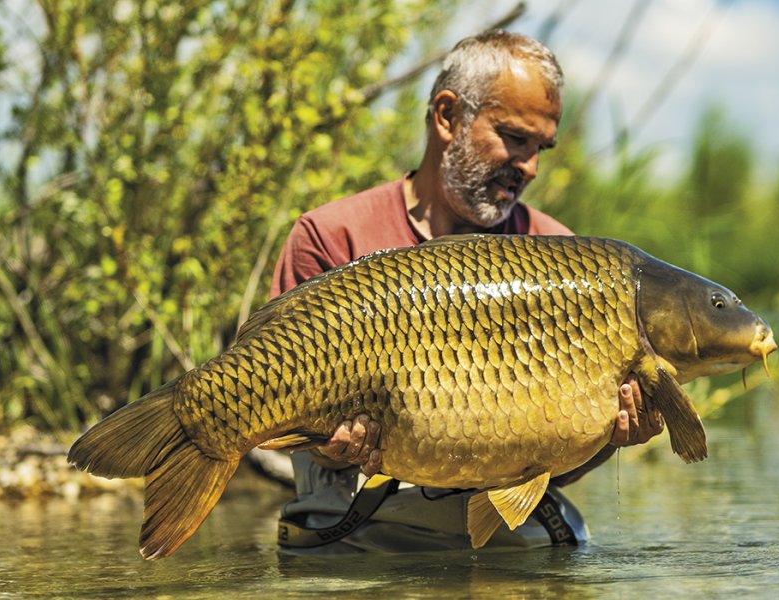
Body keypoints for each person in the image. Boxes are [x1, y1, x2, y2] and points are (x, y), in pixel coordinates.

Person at [269, 30, 664, 553]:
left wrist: (608, 438)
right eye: (515, 138)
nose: (530, 167)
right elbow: (284, 420)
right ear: (446, 117)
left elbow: (554, 466)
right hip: (357, 524)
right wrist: (332, 448)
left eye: (541, 148)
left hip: (509, 530)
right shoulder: (331, 237)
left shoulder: (562, 258)